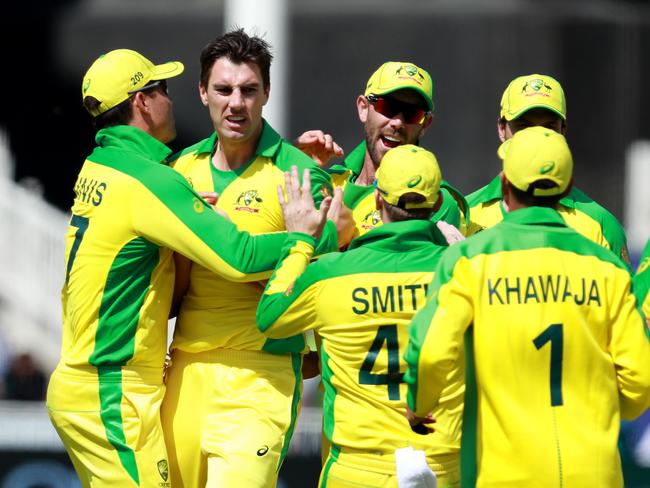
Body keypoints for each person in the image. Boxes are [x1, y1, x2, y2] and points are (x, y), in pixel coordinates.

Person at [46, 48, 326, 487]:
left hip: (113, 380)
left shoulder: (103, 166)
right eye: (160, 90)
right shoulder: (158, 179)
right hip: (113, 387)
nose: (168, 100)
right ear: (141, 102)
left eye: (249, 89)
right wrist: (305, 235)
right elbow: (240, 258)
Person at [404, 126, 650, 487]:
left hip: (503, 472)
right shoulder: (607, 267)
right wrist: (612, 408)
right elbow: (640, 382)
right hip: (594, 472)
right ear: (566, 189)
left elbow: (431, 353)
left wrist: (419, 401)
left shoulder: (470, 260)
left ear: (504, 184)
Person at [159, 30, 346, 488]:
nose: (235, 103)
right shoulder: (178, 172)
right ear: (203, 93)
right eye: (223, 90)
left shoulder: (301, 176)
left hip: (260, 371)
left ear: (267, 93)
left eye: (248, 90)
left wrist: (220, 243)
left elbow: (316, 287)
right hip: (184, 367)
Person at [257, 145, 465, 487]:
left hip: (357, 466)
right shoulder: (464, 272)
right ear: (436, 206)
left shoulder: (330, 274)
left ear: (378, 202)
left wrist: (300, 241)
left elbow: (270, 316)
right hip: (441, 464)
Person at [465, 73, 630, 266]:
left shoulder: (601, 224)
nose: (536, 136)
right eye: (524, 126)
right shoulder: (466, 213)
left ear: (563, 130)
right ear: (502, 128)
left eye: (548, 127)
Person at [296, 61, 468, 241]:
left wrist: (332, 241)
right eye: (389, 107)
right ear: (363, 108)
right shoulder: (328, 182)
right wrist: (295, 168)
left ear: (425, 124)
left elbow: (400, 265)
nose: (397, 122)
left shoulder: (429, 200)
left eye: (412, 114)